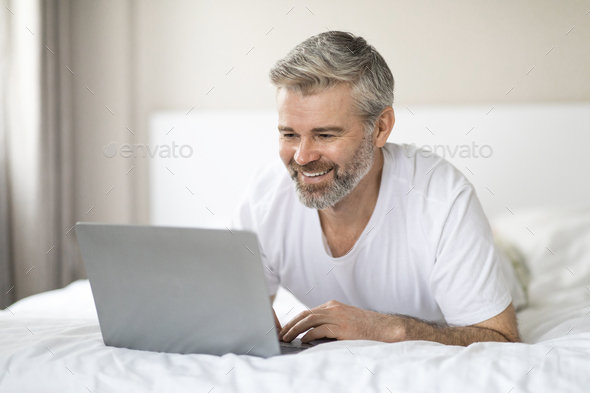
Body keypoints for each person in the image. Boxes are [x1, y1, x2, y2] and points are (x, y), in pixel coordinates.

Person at [230, 31, 520, 346]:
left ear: (380, 128)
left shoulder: (442, 198)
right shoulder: (265, 197)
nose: (302, 157)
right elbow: (228, 307)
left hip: (508, 269)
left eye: (325, 135)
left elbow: (501, 339)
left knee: (506, 250)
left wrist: (385, 329)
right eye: (289, 134)